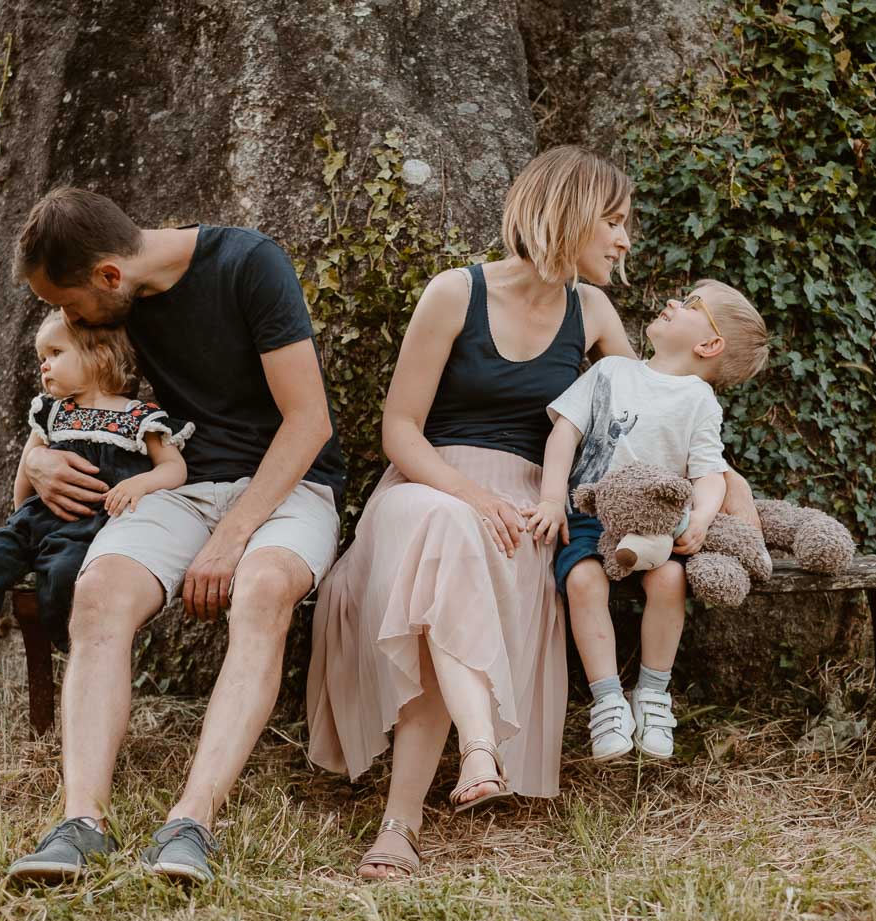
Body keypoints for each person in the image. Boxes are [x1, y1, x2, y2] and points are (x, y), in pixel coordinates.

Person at [308, 145, 762, 880]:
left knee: (466, 558)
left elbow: (656, 412)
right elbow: (399, 429)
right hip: (428, 487)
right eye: (614, 222)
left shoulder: (593, 312)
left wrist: (725, 489)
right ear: (570, 215)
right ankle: (472, 748)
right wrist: (473, 496)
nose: (625, 241)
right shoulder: (455, 294)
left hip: (529, 503)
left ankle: (407, 820)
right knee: (448, 530)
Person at [3, 188, 345, 886]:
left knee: (262, 587)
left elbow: (308, 422)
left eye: (69, 306)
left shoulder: (250, 264)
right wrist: (34, 458)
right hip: (182, 485)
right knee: (97, 594)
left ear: (108, 277)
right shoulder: (117, 294)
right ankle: (80, 823)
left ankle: (191, 823)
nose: (67, 321)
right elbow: (71, 395)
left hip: (289, 488)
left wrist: (232, 539)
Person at [525, 279, 769, 761]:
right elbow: (564, 436)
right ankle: (608, 700)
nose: (675, 302)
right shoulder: (611, 372)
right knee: (582, 580)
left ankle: (654, 694)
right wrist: (553, 499)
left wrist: (699, 518)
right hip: (594, 514)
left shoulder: (699, 401)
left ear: (709, 344)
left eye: (691, 303)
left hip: (659, 526)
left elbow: (709, 472)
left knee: (671, 580)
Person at [0, 311, 190, 680]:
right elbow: (25, 478)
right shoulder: (52, 414)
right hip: (35, 522)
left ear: (99, 355)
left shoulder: (139, 418)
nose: (45, 365)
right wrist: (21, 524)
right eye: (41, 358)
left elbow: (174, 469)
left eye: (55, 353)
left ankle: (83, 664)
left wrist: (139, 484)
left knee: (68, 574)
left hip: (86, 529)